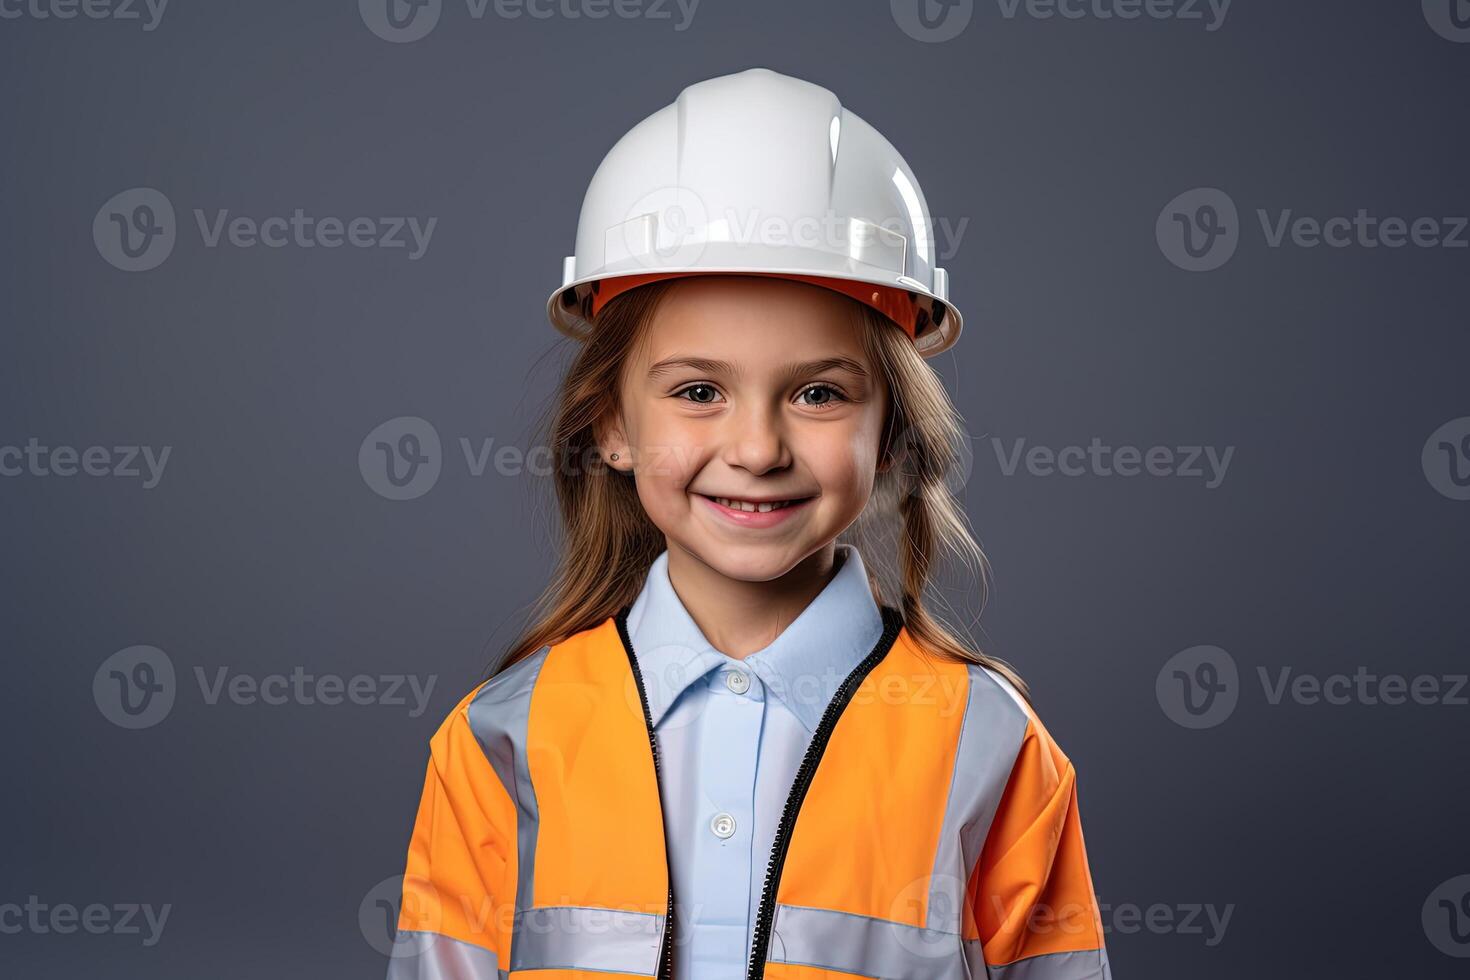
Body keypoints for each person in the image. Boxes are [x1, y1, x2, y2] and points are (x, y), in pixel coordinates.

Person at [386, 67, 1112, 980]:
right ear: (609, 425)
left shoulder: (988, 746)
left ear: (889, 431)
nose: (758, 447)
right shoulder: (502, 740)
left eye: (818, 393)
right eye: (698, 391)